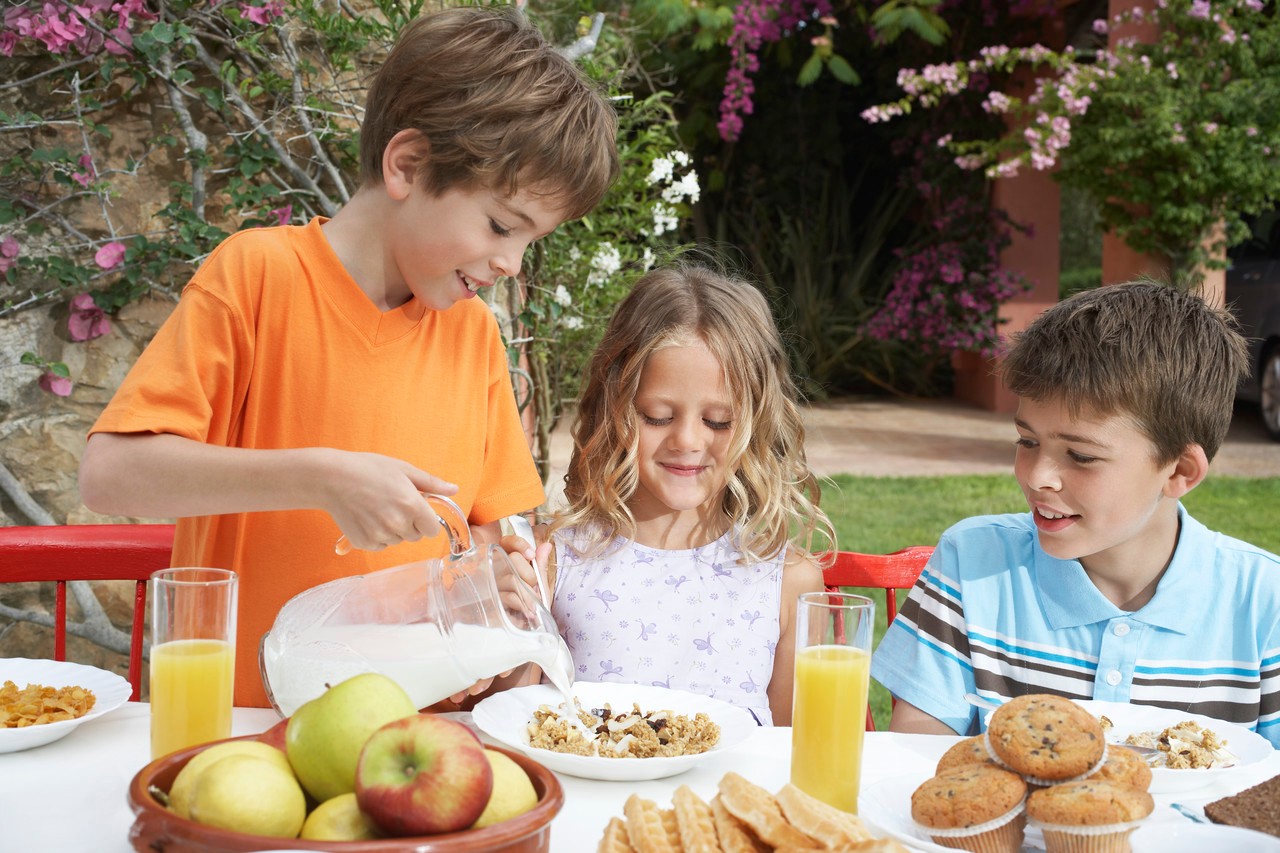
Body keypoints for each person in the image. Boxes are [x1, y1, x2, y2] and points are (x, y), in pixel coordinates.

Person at [77, 6, 619, 708]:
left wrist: (508, 587)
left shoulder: (473, 335)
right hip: (247, 731)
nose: (512, 263)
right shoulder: (256, 277)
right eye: (500, 226)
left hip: (421, 744)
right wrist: (323, 477)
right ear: (408, 165)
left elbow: (492, 536)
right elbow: (112, 474)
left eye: (529, 241)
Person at [872, 281, 1280, 747]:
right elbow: (915, 759)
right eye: (1028, 442)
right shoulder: (974, 562)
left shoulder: (1265, 604)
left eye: (1081, 456)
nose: (1038, 476)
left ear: (1180, 471)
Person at [530, 260, 834, 726]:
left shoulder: (788, 581)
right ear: (615, 408)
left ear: (756, 423)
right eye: (656, 416)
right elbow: (516, 719)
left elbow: (798, 751)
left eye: (718, 421)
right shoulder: (555, 559)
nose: (688, 441)